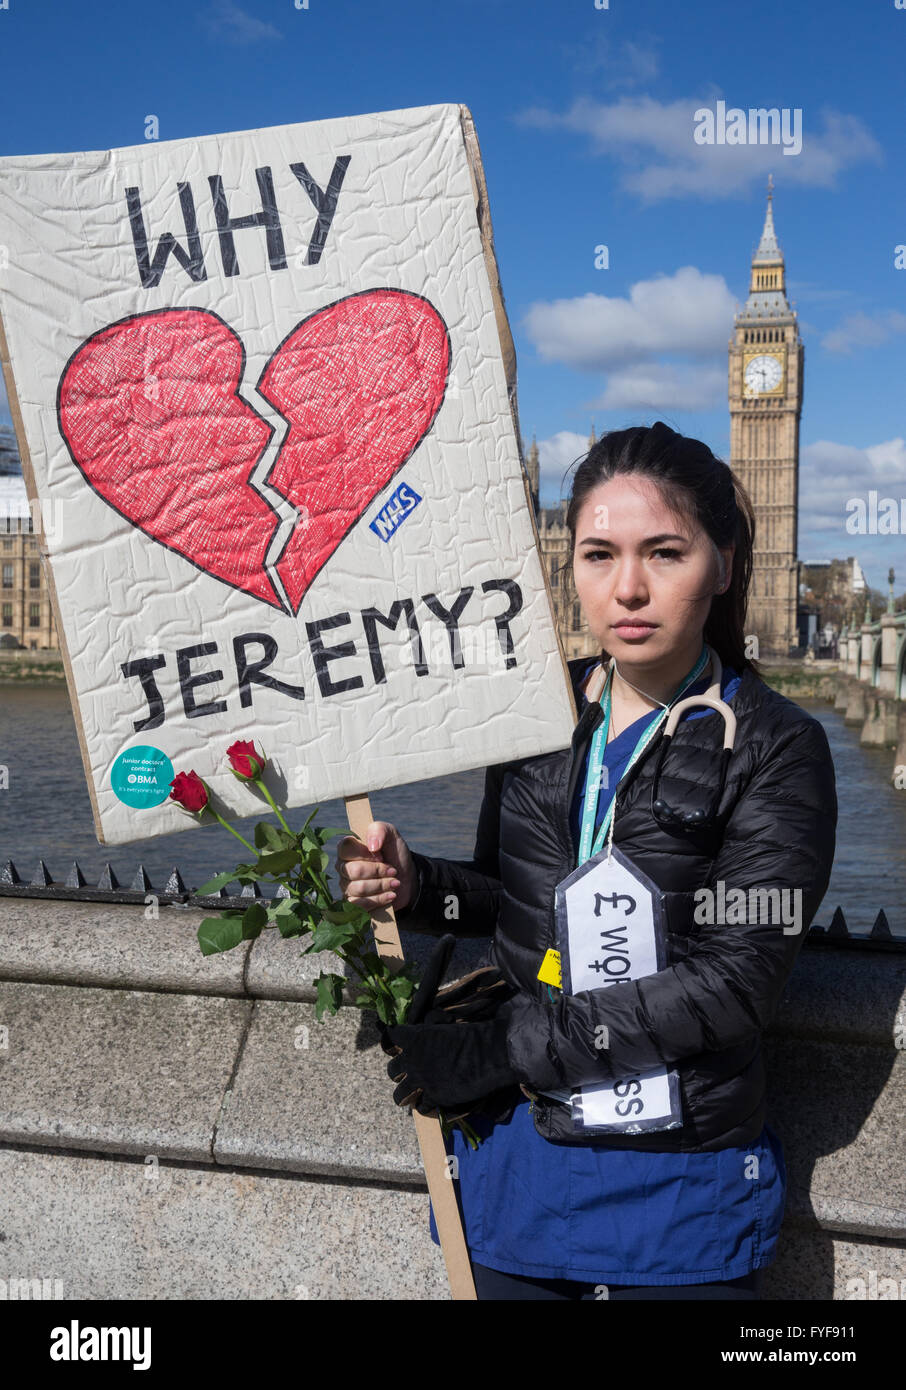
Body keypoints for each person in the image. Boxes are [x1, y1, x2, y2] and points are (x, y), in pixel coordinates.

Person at [336, 422, 837, 1301]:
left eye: (665, 553)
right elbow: (511, 905)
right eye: (599, 555)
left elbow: (733, 983)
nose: (629, 588)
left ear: (721, 564)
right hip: (522, 1172)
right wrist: (421, 888)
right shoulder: (537, 715)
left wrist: (506, 1047)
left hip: (680, 1192)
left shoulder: (778, 748)